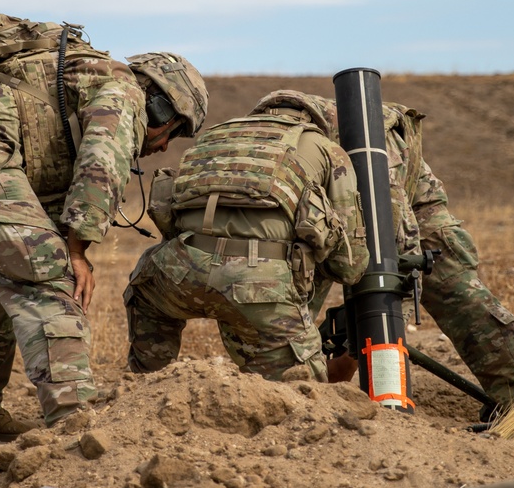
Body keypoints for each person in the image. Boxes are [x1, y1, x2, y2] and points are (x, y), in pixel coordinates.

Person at [0, 15, 207, 445]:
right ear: (162, 104)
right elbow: (103, 159)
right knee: (51, 275)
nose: (166, 146)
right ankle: (77, 430)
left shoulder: (75, 79)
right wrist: (76, 249)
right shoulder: (123, 89)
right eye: (175, 130)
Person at [125, 89, 514, 418]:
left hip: (400, 196)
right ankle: (317, 382)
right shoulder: (280, 148)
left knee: (451, 284)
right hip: (316, 221)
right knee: (301, 274)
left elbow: (384, 240)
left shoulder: (369, 142)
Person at [123, 90, 369, 383]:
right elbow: (349, 266)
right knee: (302, 393)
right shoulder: (328, 149)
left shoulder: (215, 137)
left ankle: (146, 387)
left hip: (178, 272)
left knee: (146, 291)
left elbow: (171, 221)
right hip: (260, 288)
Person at [336, 98, 514, 420]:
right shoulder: (280, 150)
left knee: (459, 294)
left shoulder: (359, 147)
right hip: (340, 198)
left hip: (406, 199)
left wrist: (390, 311)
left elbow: (398, 236)